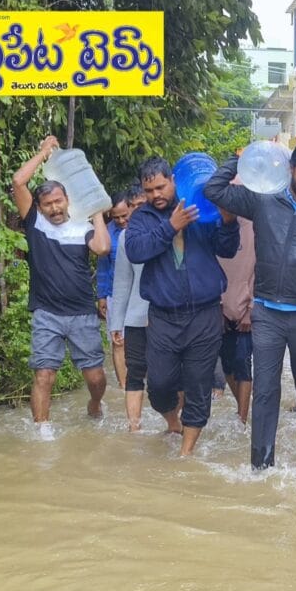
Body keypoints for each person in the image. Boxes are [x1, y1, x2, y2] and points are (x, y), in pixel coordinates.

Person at [203, 141, 296, 469]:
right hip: (267, 312)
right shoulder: (263, 199)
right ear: (291, 170)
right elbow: (213, 190)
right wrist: (236, 160)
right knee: (265, 391)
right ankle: (261, 464)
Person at [125, 156, 241, 456]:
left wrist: (228, 221)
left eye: (161, 187)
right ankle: (172, 421)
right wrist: (170, 226)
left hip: (204, 314)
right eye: (149, 191)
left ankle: (185, 453)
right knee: (160, 386)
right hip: (163, 317)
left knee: (199, 384)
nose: (156, 195)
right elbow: (136, 251)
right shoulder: (143, 218)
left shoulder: (200, 207)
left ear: (173, 180)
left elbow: (227, 249)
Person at [10, 135, 111, 429]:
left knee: (95, 377)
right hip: (47, 313)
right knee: (44, 374)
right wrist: (43, 153)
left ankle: (94, 402)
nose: (54, 208)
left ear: (68, 200)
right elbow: (18, 181)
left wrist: (97, 213)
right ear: (39, 207)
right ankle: (42, 431)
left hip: (81, 312)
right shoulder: (34, 223)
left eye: (58, 201)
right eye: (48, 204)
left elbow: (103, 248)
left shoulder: (83, 227)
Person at [108, 197, 150, 432]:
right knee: (135, 373)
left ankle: (175, 425)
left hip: (167, 318)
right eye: (134, 206)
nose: (138, 210)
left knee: (168, 377)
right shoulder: (126, 238)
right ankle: (134, 429)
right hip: (136, 317)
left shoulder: (174, 229)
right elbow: (123, 281)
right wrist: (117, 323)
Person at [97, 188, 139, 388]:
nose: (121, 221)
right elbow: (103, 266)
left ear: (132, 208)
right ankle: (124, 386)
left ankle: (141, 380)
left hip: (141, 293)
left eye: (124, 216)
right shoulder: (106, 232)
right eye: (116, 218)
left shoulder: (143, 227)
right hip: (115, 293)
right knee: (118, 341)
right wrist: (102, 296)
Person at [218, 216, 256, 427]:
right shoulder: (213, 223)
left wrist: (251, 309)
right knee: (226, 365)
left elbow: (261, 272)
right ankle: (242, 407)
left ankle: (242, 419)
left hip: (246, 309)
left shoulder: (255, 226)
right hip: (219, 307)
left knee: (243, 362)